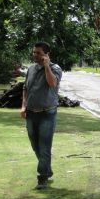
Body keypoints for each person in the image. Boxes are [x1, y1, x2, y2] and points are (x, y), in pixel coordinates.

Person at [20, 42, 62, 190]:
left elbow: (52, 83)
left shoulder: (55, 68)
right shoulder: (30, 69)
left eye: (38, 53)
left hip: (47, 113)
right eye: (34, 52)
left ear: (46, 54)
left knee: (44, 147)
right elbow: (25, 89)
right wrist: (23, 106)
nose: (35, 55)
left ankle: (42, 178)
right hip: (31, 113)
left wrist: (47, 66)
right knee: (35, 146)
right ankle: (47, 169)